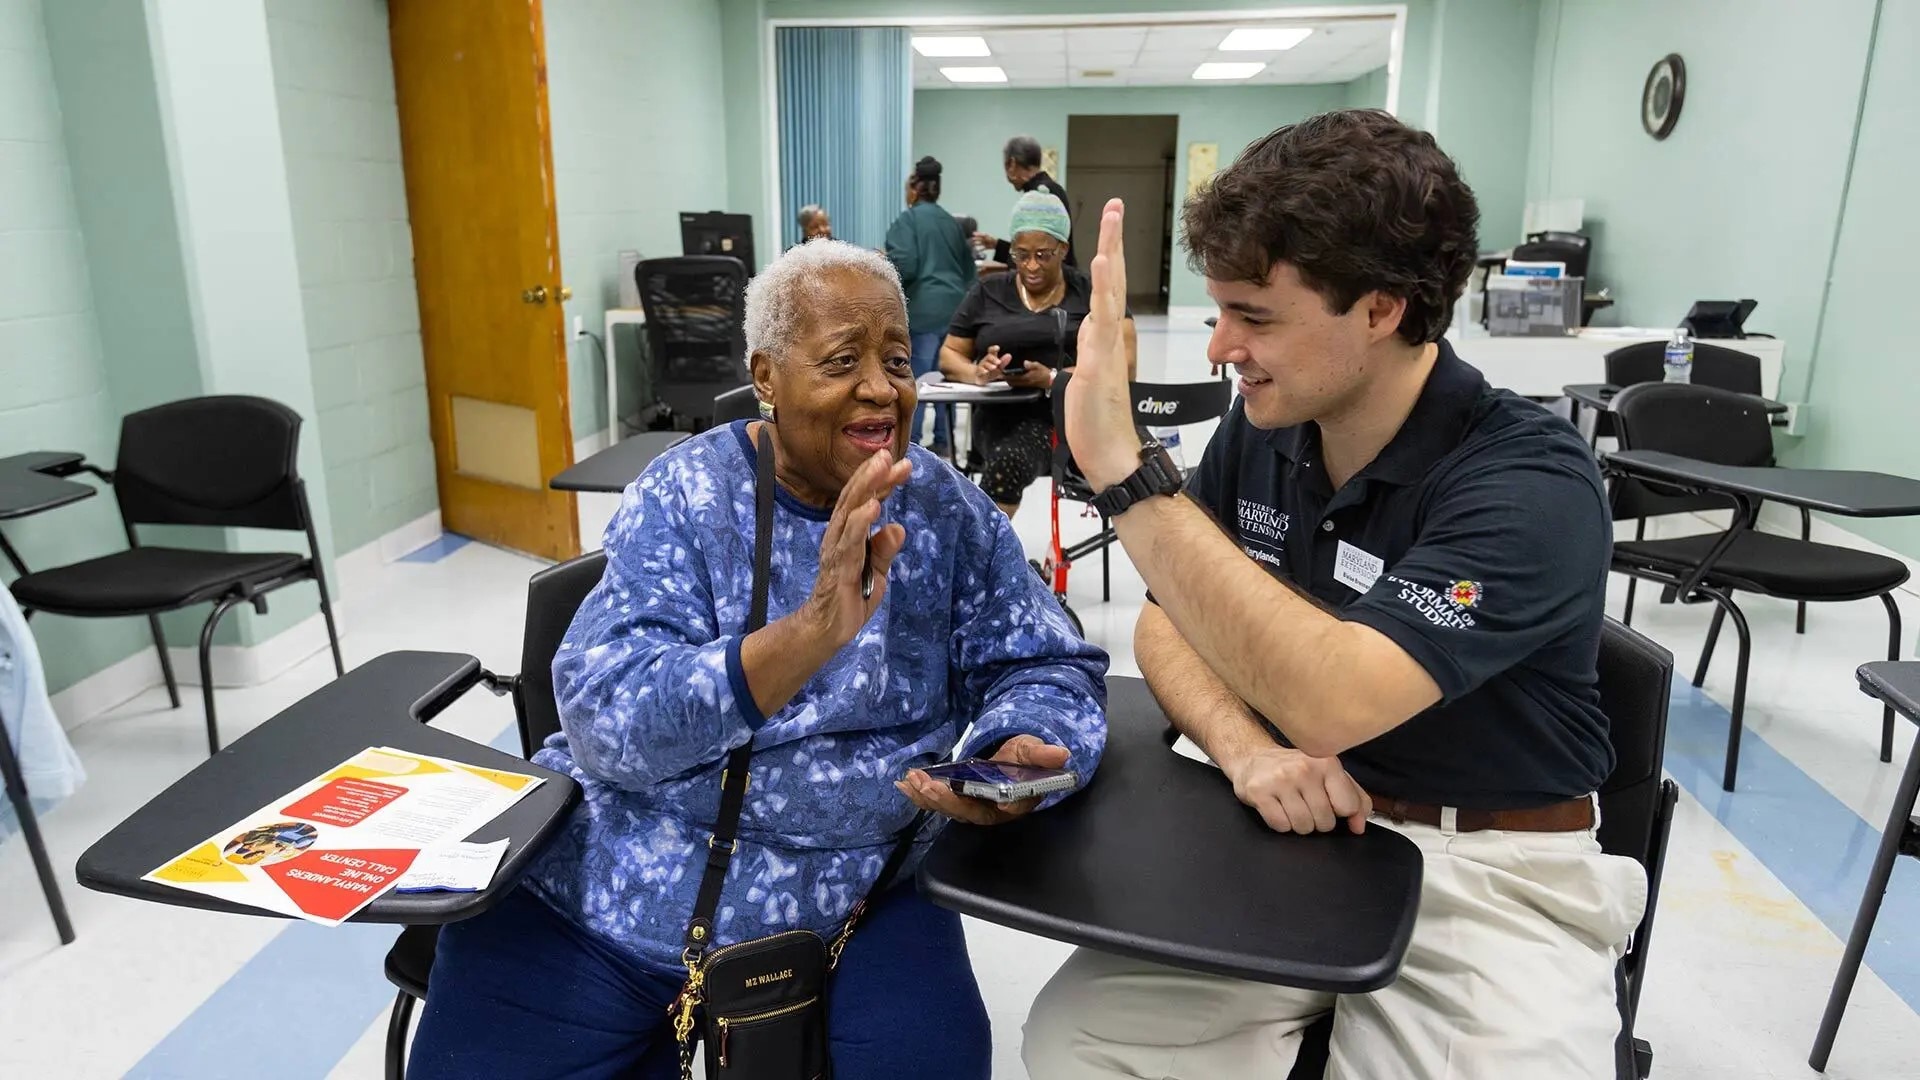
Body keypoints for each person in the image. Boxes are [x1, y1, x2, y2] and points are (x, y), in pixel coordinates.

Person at [1030, 109, 1645, 1078]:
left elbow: (1335, 699)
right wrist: (1244, 752)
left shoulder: (1530, 484)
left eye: (1256, 317)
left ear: (1382, 307)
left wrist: (1128, 472)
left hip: (1491, 868)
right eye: (1219, 311)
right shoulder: (1266, 430)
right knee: (1078, 1043)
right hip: (1298, 839)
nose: (1219, 348)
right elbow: (1165, 622)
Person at [407, 239, 1109, 1080]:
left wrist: (1017, 745)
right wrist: (808, 634)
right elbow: (604, 719)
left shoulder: (945, 509)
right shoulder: (685, 495)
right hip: (622, 883)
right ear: (767, 377)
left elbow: (1047, 661)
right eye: (842, 360)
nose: (882, 388)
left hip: (856, 893)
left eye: (895, 358)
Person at [939, 191, 1135, 518]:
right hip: (997, 417)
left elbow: (1125, 365)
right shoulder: (989, 290)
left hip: (1067, 418)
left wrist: (1054, 378)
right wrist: (979, 372)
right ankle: (988, 558)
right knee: (1005, 459)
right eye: (1021, 254)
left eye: (1043, 255)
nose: (1031, 266)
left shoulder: (1090, 291)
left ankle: (987, 557)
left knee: (1009, 462)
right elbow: (949, 355)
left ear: (1063, 250)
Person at [886, 156, 973, 457]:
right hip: (955, 313)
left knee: (918, 381)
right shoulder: (951, 222)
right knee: (946, 381)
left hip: (923, 312)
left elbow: (905, 266)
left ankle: (912, 446)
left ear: (914, 188)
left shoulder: (907, 221)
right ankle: (943, 440)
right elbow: (969, 271)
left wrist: (882, 263)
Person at [973, 135, 1076, 269]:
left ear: (1012, 164)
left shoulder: (1039, 196)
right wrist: (996, 244)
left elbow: (1034, 254)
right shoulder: (1053, 190)